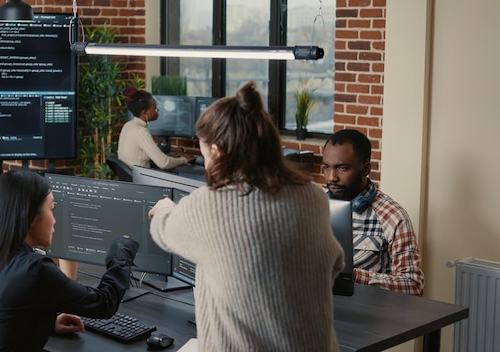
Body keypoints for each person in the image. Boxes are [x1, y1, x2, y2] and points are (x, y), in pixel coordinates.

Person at [148, 81, 344, 351]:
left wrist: (164, 208)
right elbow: (334, 264)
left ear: (217, 151)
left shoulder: (210, 204)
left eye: (205, 155)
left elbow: (164, 229)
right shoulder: (312, 195)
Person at [0, 170, 139, 352]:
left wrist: (47, 323)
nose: (54, 220)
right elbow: (103, 303)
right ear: (30, 216)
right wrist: (122, 250)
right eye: (52, 209)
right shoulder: (33, 269)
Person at [322, 129, 424, 296]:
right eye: (326, 167)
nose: (331, 177)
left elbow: (414, 285)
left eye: (341, 168)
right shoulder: (314, 207)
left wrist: (353, 276)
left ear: (366, 169)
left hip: (369, 316)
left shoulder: (393, 216)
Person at [117, 86, 195, 169]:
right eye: (155, 109)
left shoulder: (128, 125)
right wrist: (184, 160)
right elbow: (164, 163)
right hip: (141, 180)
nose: (157, 111)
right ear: (144, 113)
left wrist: (171, 158)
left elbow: (143, 155)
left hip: (131, 178)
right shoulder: (141, 131)